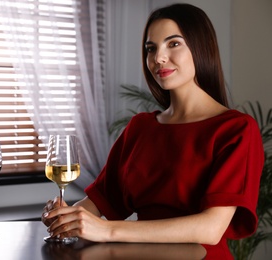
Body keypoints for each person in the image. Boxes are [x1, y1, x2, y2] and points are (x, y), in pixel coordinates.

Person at [41, 3, 264, 259]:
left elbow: (211, 228)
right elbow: (100, 201)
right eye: (151, 48)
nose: (158, 57)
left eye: (173, 44)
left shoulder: (235, 129)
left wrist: (108, 231)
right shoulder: (140, 127)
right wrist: (66, 216)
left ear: (200, 47)